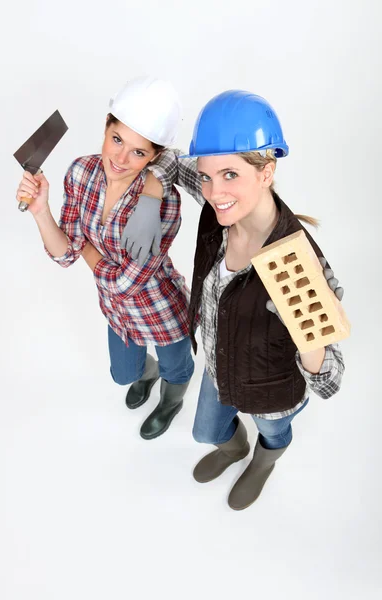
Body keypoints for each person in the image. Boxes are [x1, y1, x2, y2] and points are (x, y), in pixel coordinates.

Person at [124, 90, 345, 509]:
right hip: (220, 364)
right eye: (207, 176)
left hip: (272, 389)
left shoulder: (302, 264)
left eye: (230, 175)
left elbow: (331, 380)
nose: (212, 190)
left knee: (273, 430)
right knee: (205, 433)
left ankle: (266, 457)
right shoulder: (220, 207)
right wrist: (151, 197)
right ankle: (233, 449)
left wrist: (307, 331)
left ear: (266, 171)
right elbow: (168, 159)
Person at [15, 76, 194, 440]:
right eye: (117, 140)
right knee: (123, 374)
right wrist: (40, 211)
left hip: (161, 308)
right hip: (116, 312)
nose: (121, 159)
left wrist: (86, 249)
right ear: (106, 126)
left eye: (139, 152)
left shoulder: (165, 203)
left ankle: (171, 401)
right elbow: (65, 253)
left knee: (176, 368)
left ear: (155, 156)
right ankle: (148, 373)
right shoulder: (81, 172)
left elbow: (126, 283)